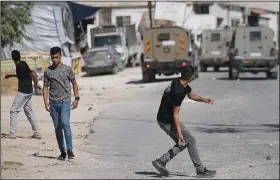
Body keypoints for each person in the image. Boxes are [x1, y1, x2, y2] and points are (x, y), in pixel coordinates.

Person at [153, 66, 216, 178]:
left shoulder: (179, 81)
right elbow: (175, 115)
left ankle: (161, 161)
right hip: (166, 121)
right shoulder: (178, 91)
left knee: (184, 142)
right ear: (191, 77)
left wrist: (204, 99)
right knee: (189, 140)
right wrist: (180, 133)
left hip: (165, 118)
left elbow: (191, 94)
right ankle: (200, 171)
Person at [43, 47, 80, 160]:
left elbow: (74, 83)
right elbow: (45, 87)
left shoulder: (67, 69)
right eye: (52, 57)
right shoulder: (47, 71)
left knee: (65, 123)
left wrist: (76, 98)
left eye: (56, 57)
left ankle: (70, 149)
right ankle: (62, 152)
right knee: (57, 128)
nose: (54, 60)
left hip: (65, 101)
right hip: (54, 103)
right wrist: (46, 102)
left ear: (60, 56)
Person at [5, 50, 41, 139]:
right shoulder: (22, 64)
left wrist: (36, 87)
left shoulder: (20, 66)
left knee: (13, 110)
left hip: (23, 91)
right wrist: (11, 75)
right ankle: (37, 133)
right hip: (28, 91)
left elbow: (33, 74)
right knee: (29, 111)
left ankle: (12, 133)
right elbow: (24, 75)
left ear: (12, 58)